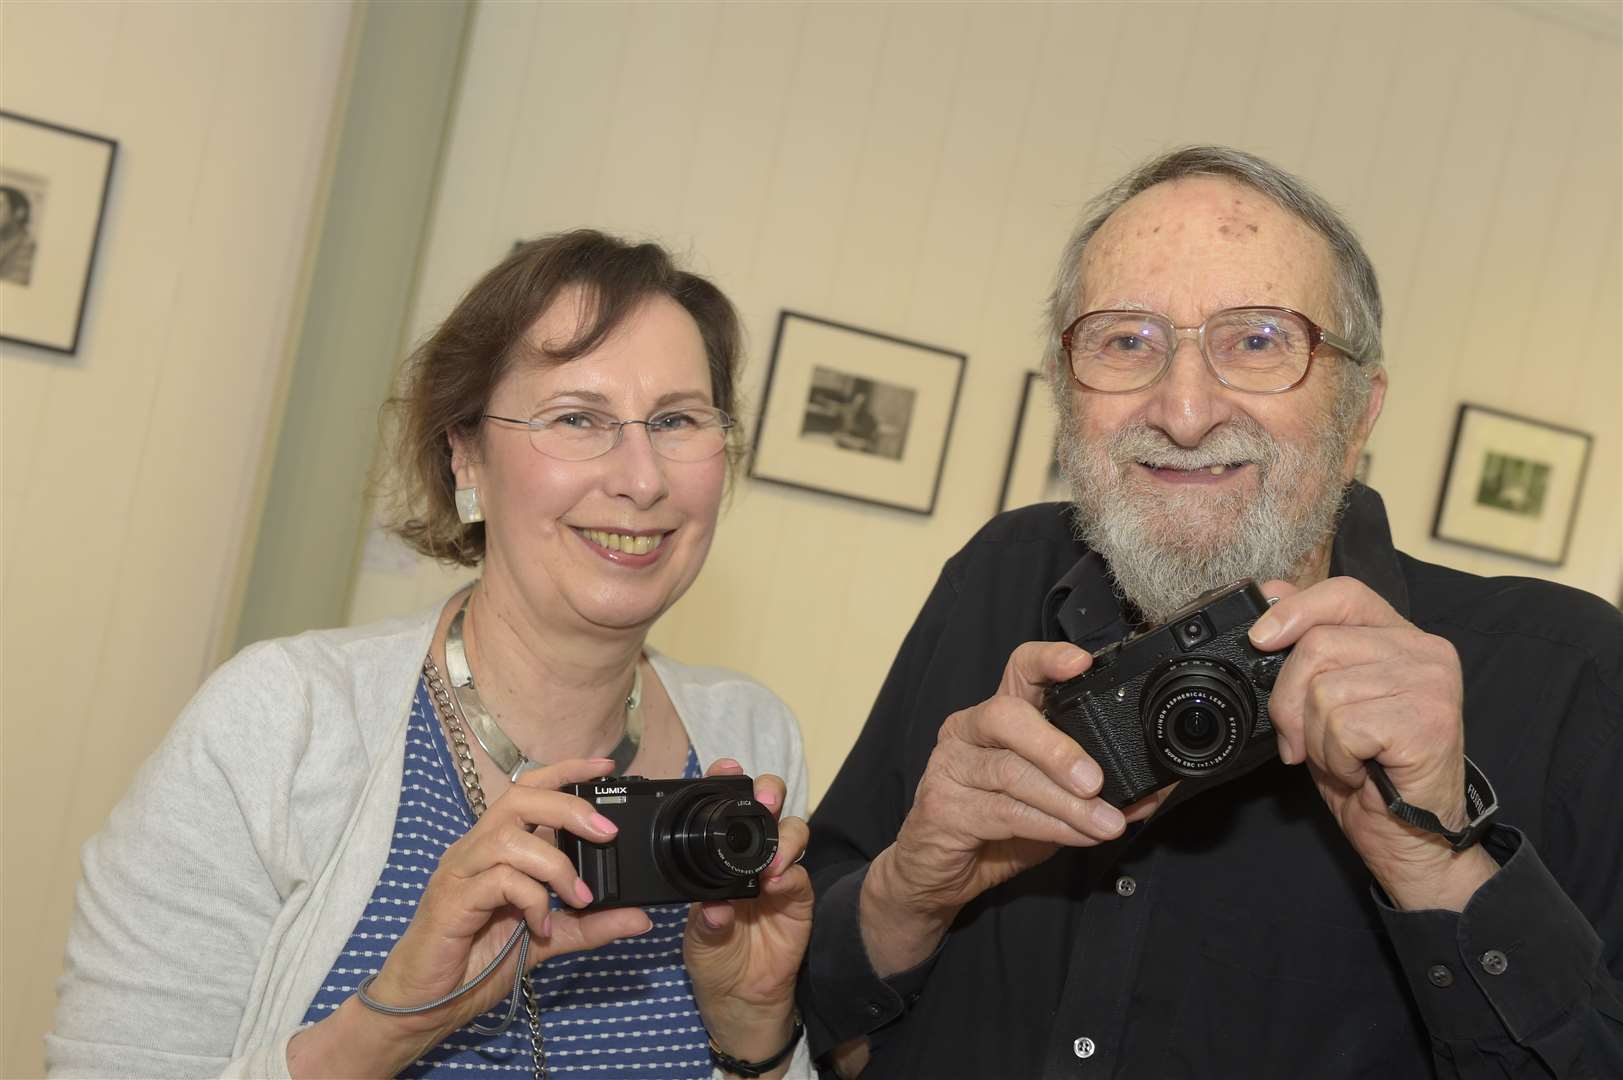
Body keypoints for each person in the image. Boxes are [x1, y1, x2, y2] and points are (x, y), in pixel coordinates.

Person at [798, 147, 1623, 1078]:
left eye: (1258, 340)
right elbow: (807, 998)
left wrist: (1437, 860)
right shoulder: (999, 575)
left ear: (1359, 411)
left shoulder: (1570, 675)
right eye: (1125, 341)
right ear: (1066, 398)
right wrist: (912, 890)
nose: (1183, 409)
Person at [49, 230, 815, 1079]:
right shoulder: (282, 721)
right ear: (465, 456)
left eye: (675, 420)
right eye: (576, 419)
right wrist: (392, 1023)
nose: (642, 479)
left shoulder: (748, 741)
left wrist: (754, 1038)